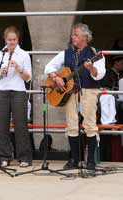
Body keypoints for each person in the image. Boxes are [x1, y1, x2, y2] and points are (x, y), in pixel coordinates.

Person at [44, 23, 106, 171]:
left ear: (85, 37)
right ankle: (74, 159)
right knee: (72, 125)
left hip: (89, 91)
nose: (73, 37)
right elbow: (48, 67)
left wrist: (92, 68)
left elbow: (100, 74)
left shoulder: (96, 53)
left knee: (90, 125)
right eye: (73, 34)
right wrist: (56, 77)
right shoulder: (66, 53)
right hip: (71, 93)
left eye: (76, 34)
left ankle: (90, 160)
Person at [0, 26, 33, 168]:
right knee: (2, 125)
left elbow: (28, 78)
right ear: (5, 40)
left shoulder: (24, 55)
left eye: (14, 40)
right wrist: (0, 73)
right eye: (9, 40)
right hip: (2, 92)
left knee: (21, 125)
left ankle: (24, 157)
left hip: (18, 92)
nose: (11, 42)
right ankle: (4, 157)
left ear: (17, 40)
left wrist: (18, 68)